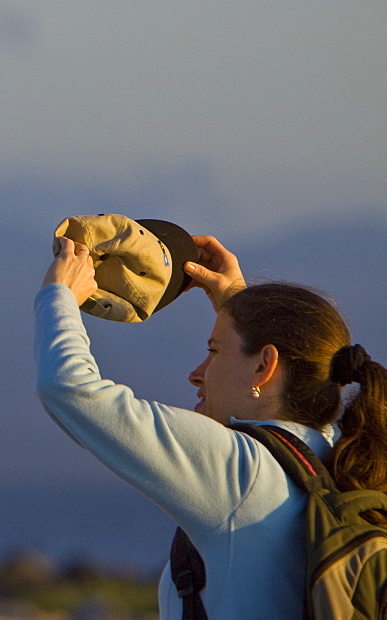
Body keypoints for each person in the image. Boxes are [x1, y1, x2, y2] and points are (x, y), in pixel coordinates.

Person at [35, 233, 386, 618]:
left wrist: (60, 294)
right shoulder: (340, 458)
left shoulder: (240, 471)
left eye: (214, 350)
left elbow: (69, 389)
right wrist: (243, 307)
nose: (196, 374)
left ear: (263, 365)